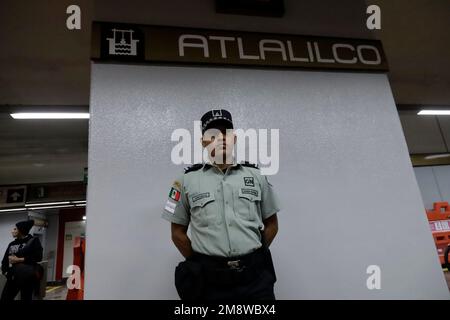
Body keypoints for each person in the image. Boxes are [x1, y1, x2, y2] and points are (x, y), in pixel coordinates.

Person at [162, 109, 281, 300]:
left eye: (226, 132)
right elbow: (177, 233)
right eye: (212, 134)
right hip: (209, 284)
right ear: (203, 142)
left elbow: (272, 224)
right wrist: (201, 261)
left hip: (255, 281)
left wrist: (256, 255)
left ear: (234, 138)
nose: (221, 138)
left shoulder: (256, 176)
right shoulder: (185, 181)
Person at [1, 219, 43, 301]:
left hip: (27, 276)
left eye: (15, 229)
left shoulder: (33, 241)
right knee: (5, 298)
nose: (12, 231)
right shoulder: (12, 244)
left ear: (21, 230)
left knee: (26, 297)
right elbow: (5, 260)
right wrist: (5, 272)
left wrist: (19, 259)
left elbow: (38, 257)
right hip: (13, 277)